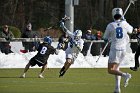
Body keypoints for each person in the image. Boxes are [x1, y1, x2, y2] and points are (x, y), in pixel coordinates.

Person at [103, 8, 133, 93]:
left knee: (110, 70)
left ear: (113, 15)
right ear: (121, 15)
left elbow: (105, 38)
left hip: (115, 50)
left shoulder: (110, 25)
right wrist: (125, 21)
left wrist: (109, 38)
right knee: (116, 68)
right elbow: (131, 30)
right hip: (123, 50)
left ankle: (125, 75)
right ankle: (117, 88)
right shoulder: (125, 23)